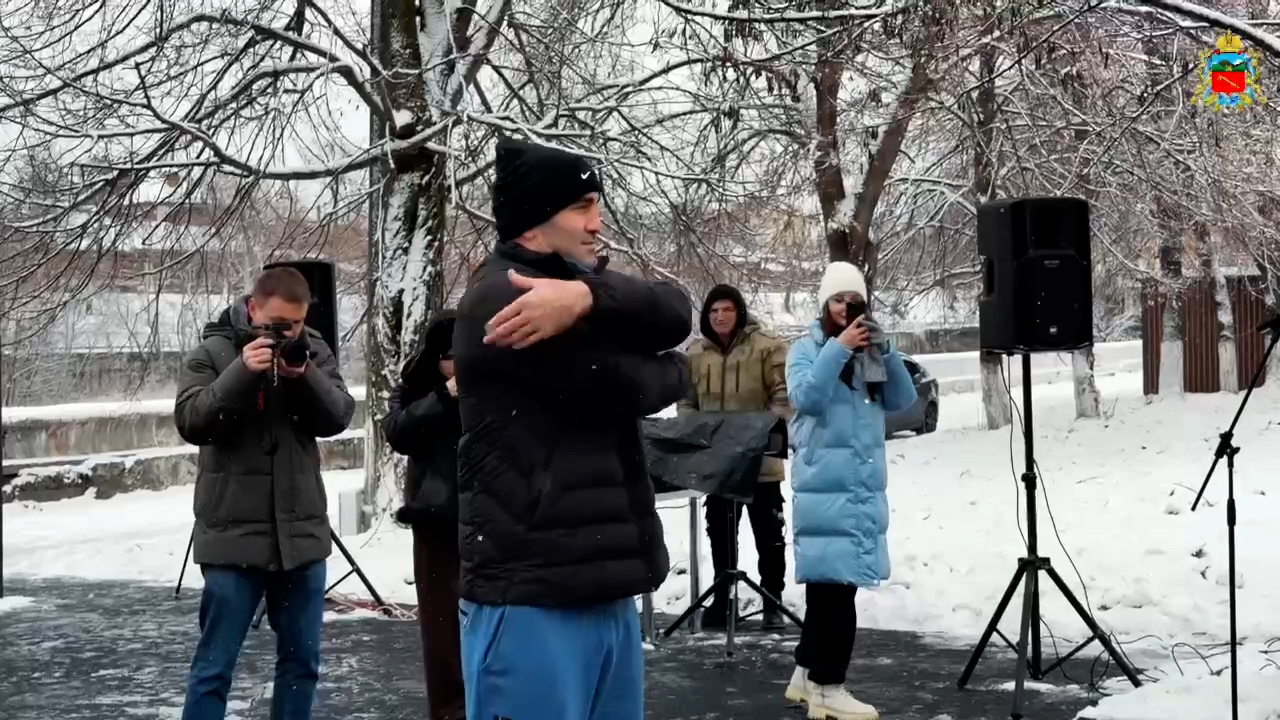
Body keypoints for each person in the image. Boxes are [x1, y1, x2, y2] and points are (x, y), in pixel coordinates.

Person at [452, 137, 692, 720]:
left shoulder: (575, 289)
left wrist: (586, 295)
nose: (597, 221)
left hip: (601, 589)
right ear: (535, 221)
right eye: (583, 205)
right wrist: (676, 366)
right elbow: (629, 385)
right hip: (532, 594)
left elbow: (676, 309)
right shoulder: (500, 301)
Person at [173, 266, 356, 720]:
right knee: (214, 667)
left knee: (301, 664)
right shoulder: (212, 351)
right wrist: (240, 372)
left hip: (301, 538)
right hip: (233, 537)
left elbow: (337, 417)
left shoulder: (312, 351)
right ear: (252, 308)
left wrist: (303, 374)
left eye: (293, 325)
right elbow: (191, 422)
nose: (284, 334)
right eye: (274, 325)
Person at [781, 261, 917, 720]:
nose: (845, 308)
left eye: (853, 300)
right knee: (834, 595)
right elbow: (808, 398)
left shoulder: (869, 355)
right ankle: (828, 687)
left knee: (834, 591)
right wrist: (838, 348)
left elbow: (902, 401)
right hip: (824, 489)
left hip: (858, 488)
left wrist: (888, 350)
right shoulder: (805, 350)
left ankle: (806, 675)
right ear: (824, 304)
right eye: (837, 300)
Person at [677, 284, 791, 630]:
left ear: (739, 312)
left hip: (759, 463)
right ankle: (722, 598)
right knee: (720, 533)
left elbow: (785, 397)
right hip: (719, 464)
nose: (719, 316)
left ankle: (772, 601)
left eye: (726, 310)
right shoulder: (695, 354)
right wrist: (698, 431)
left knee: (768, 534)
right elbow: (686, 402)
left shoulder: (768, 346)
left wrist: (759, 431)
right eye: (713, 312)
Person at [381, 310, 465, 720]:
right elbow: (398, 431)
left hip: (490, 519)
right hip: (437, 522)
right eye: (450, 354)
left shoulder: (495, 385)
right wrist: (446, 396)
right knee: (443, 633)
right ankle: (449, 712)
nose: (458, 361)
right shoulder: (417, 387)